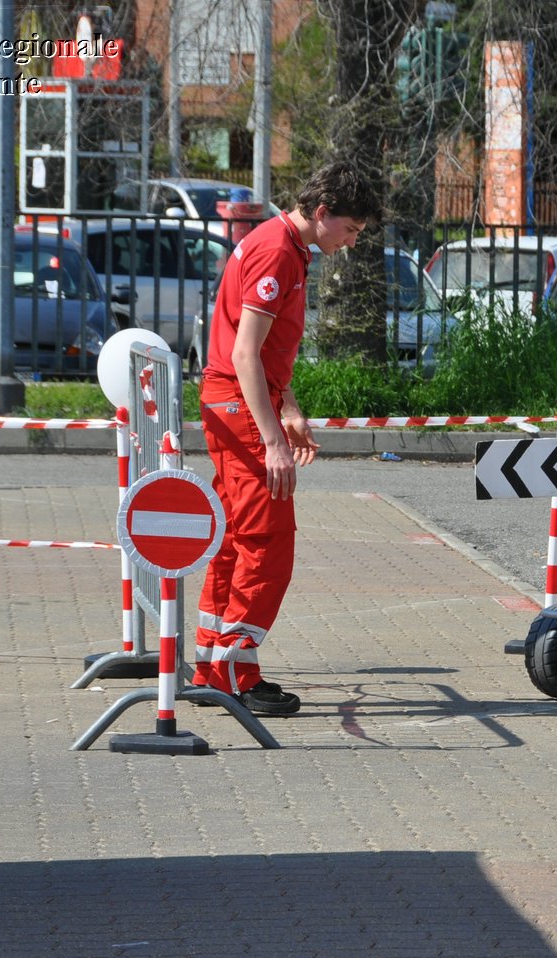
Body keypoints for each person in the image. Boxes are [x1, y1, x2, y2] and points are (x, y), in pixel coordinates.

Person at [192, 161, 379, 714]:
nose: (348, 243)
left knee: (234, 538)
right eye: (349, 230)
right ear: (321, 213)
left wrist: (288, 405)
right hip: (239, 404)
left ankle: (213, 663)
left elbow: (264, 355)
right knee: (267, 542)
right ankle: (234, 673)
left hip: (235, 401)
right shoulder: (277, 252)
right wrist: (273, 439)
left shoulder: (282, 246)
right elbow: (245, 354)